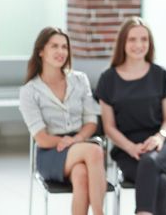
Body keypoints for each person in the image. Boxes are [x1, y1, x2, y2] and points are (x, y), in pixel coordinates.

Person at [96, 16, 166, 215]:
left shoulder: (160, 75)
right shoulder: (108, 79)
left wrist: (159, 137)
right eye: (132, 39)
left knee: (150, 161)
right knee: (161, 182)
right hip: (127, 150)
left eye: (144, 39)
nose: (139, 45)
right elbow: (109, 126)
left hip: (164, 144)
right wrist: (130, 147)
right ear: (123, 43)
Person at [19, 27, 105, 215]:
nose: (61, 52)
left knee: (81, 175)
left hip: (79, 142)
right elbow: (41, 138)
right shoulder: (29, 91)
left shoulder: (79, 80)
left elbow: (91, 122)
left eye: (64, 47)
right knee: (95, 151)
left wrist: (75, 140)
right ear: (41, 51)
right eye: (54, 46)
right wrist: (65, 142)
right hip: (51, 152)